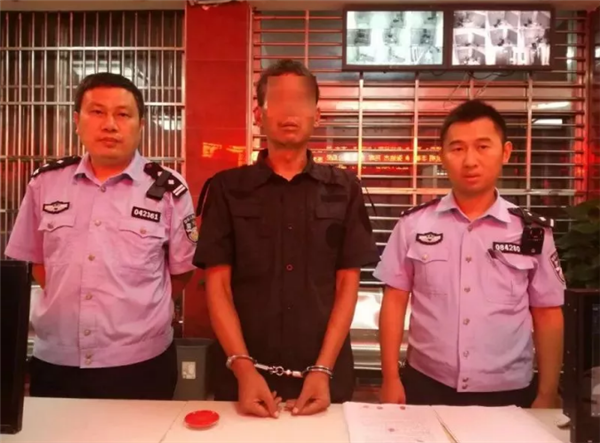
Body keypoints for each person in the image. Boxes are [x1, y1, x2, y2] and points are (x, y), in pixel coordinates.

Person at [193, 59, 379, 417]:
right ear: (258, 114)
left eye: (300, 100)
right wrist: (243, 370)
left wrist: (322, 369)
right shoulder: (228, 189)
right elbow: (218, 286)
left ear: (317, 114)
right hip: (244, 380)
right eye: (278, 100)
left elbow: (347, 286)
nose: (289, 110)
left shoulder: (344, 189)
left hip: (325, 379)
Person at [5, 73, 197, 400]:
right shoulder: (46, 183)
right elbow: (35, 262)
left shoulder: (168, 189)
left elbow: (181, 272)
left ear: (140, 125)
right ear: (77, 121)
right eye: (97, 112)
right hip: (57, 360)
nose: (110, 125)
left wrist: (135, 314)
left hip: (140, 362)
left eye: (123, 114)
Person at [376, 100, 565, 408]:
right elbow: (394, 301)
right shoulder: (413, 225)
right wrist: (390, 378)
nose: (470, 160)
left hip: (509, 392)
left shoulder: (531, 232)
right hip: (426, 385)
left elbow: (547, 313)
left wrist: (547, 392)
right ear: (442, 156)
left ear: (505, 152)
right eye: (458, 148)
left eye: (483, 147)